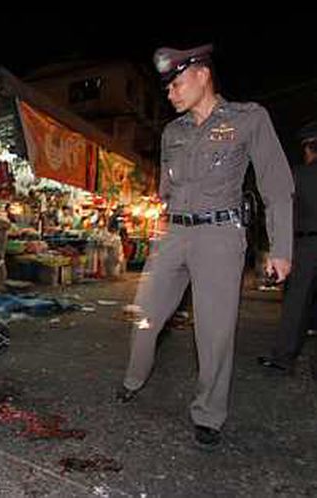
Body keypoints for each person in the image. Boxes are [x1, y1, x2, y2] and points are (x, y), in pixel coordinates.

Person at [116, 44, 294, 449]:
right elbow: (166, 188)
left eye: (176, 84)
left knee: (213, 332)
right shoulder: (172, 132)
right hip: (175, 234)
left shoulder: (248, 119)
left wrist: (281, 247)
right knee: (146, 316)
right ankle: (134, 378)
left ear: (202, 75)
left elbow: (277, 185)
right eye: (167, 88)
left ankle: (209, 413)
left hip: (219, 237)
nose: (170, 94)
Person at [259, 121, 317, 374]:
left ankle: (283, 356)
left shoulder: (299, 175)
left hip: (307, 244)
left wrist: (278, 249)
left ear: (308, 149)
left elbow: (286, 214)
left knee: (297, 301)